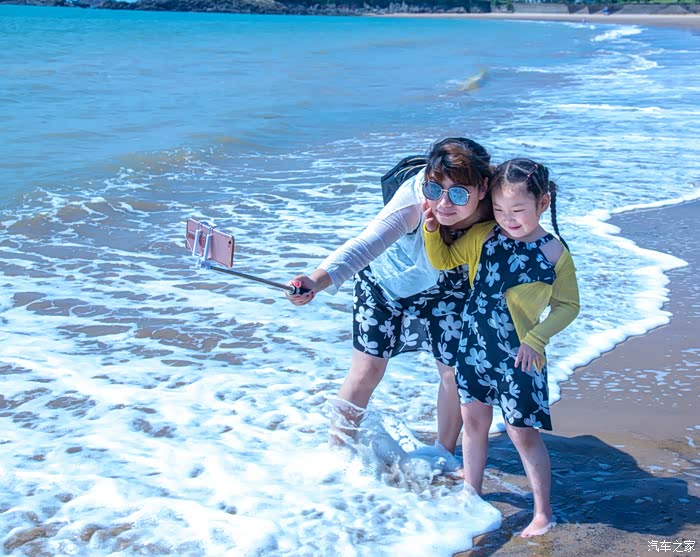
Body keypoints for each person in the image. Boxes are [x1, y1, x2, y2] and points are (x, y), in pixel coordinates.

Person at [286, 137, 493, 470]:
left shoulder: (496, 204)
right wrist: (315, 281)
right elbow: (364, 245)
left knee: (455, 372)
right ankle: (337, 454)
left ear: (482, 188)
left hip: (447, 286)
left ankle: (444, 453)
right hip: (385, 283)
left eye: (458, 194)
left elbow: (530, 222)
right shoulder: (414, 200)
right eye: (435, 189)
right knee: (367, 370)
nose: (443, 203)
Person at [423, 158, 580, 536]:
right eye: (499, 209)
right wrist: (430, 229)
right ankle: (471, 492)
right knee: (474, 423)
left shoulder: (554, 252)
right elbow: (444, 259)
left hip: (522, 357)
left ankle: (542, 512)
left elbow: (568, 306)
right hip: (474, 349)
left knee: (522, 433)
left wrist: (537, 338)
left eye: (518, 210)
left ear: (543, 203)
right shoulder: (484, 236)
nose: (508, 219)